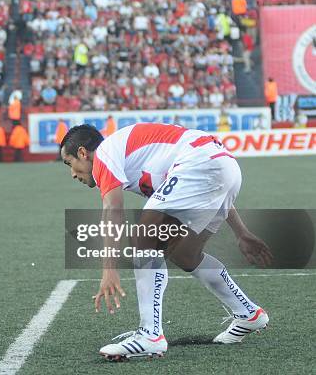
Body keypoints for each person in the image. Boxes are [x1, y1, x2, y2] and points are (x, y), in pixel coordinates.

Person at [59, 124, 272, 361]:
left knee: (144, 237)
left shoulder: (104, 154)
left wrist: (109, 270)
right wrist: (241, 232)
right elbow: (214, 179)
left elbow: (113, 210)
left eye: (70, 164)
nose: (73, 174)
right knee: (184, 254)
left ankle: (150, 335)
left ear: (82, 153)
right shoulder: (143, 160)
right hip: (225, 167)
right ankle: (248, 313)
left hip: (201, 162)